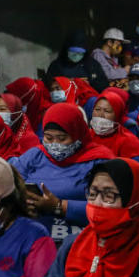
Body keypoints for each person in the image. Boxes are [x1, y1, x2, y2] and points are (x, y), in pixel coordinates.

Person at [9, 103, 114, 244]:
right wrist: (23, 203)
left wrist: (59, 206)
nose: (55, 144)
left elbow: (108, 208)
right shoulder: (35, 156)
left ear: (78, 135)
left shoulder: (98, 161)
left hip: (81, 235)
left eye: (62, 138)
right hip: (37, 231)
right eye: (49, 138)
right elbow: (10, 186)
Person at [88, 91, 139, 166]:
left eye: (107, 111)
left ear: (117, 115)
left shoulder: (129, 141)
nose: (100, 115)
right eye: (97, 109)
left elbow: (137, 170)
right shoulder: (87, 136)